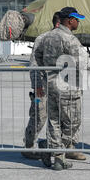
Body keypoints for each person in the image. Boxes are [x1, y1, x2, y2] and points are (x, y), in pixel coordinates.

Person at [35, 7, 90, 170]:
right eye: (76, 19)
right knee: (72, 123)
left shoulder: (47, 36)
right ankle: (54, 150)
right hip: (68, 87)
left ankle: (54, 153)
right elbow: (85, 64)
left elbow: (37, 57)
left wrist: (44, 74)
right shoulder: (70, 40)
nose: (78, 22)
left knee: (54, 121)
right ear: (69, 20)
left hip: (51, 84)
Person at [21, 12, 61, 160]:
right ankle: (29, 146)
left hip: (59, 87)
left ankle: (58, 147)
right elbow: (34, 64)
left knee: (59, 119)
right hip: (42, 88)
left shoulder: (67, 39)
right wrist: (37, 85)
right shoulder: (42, 39)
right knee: (38, 115)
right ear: (58, 24)